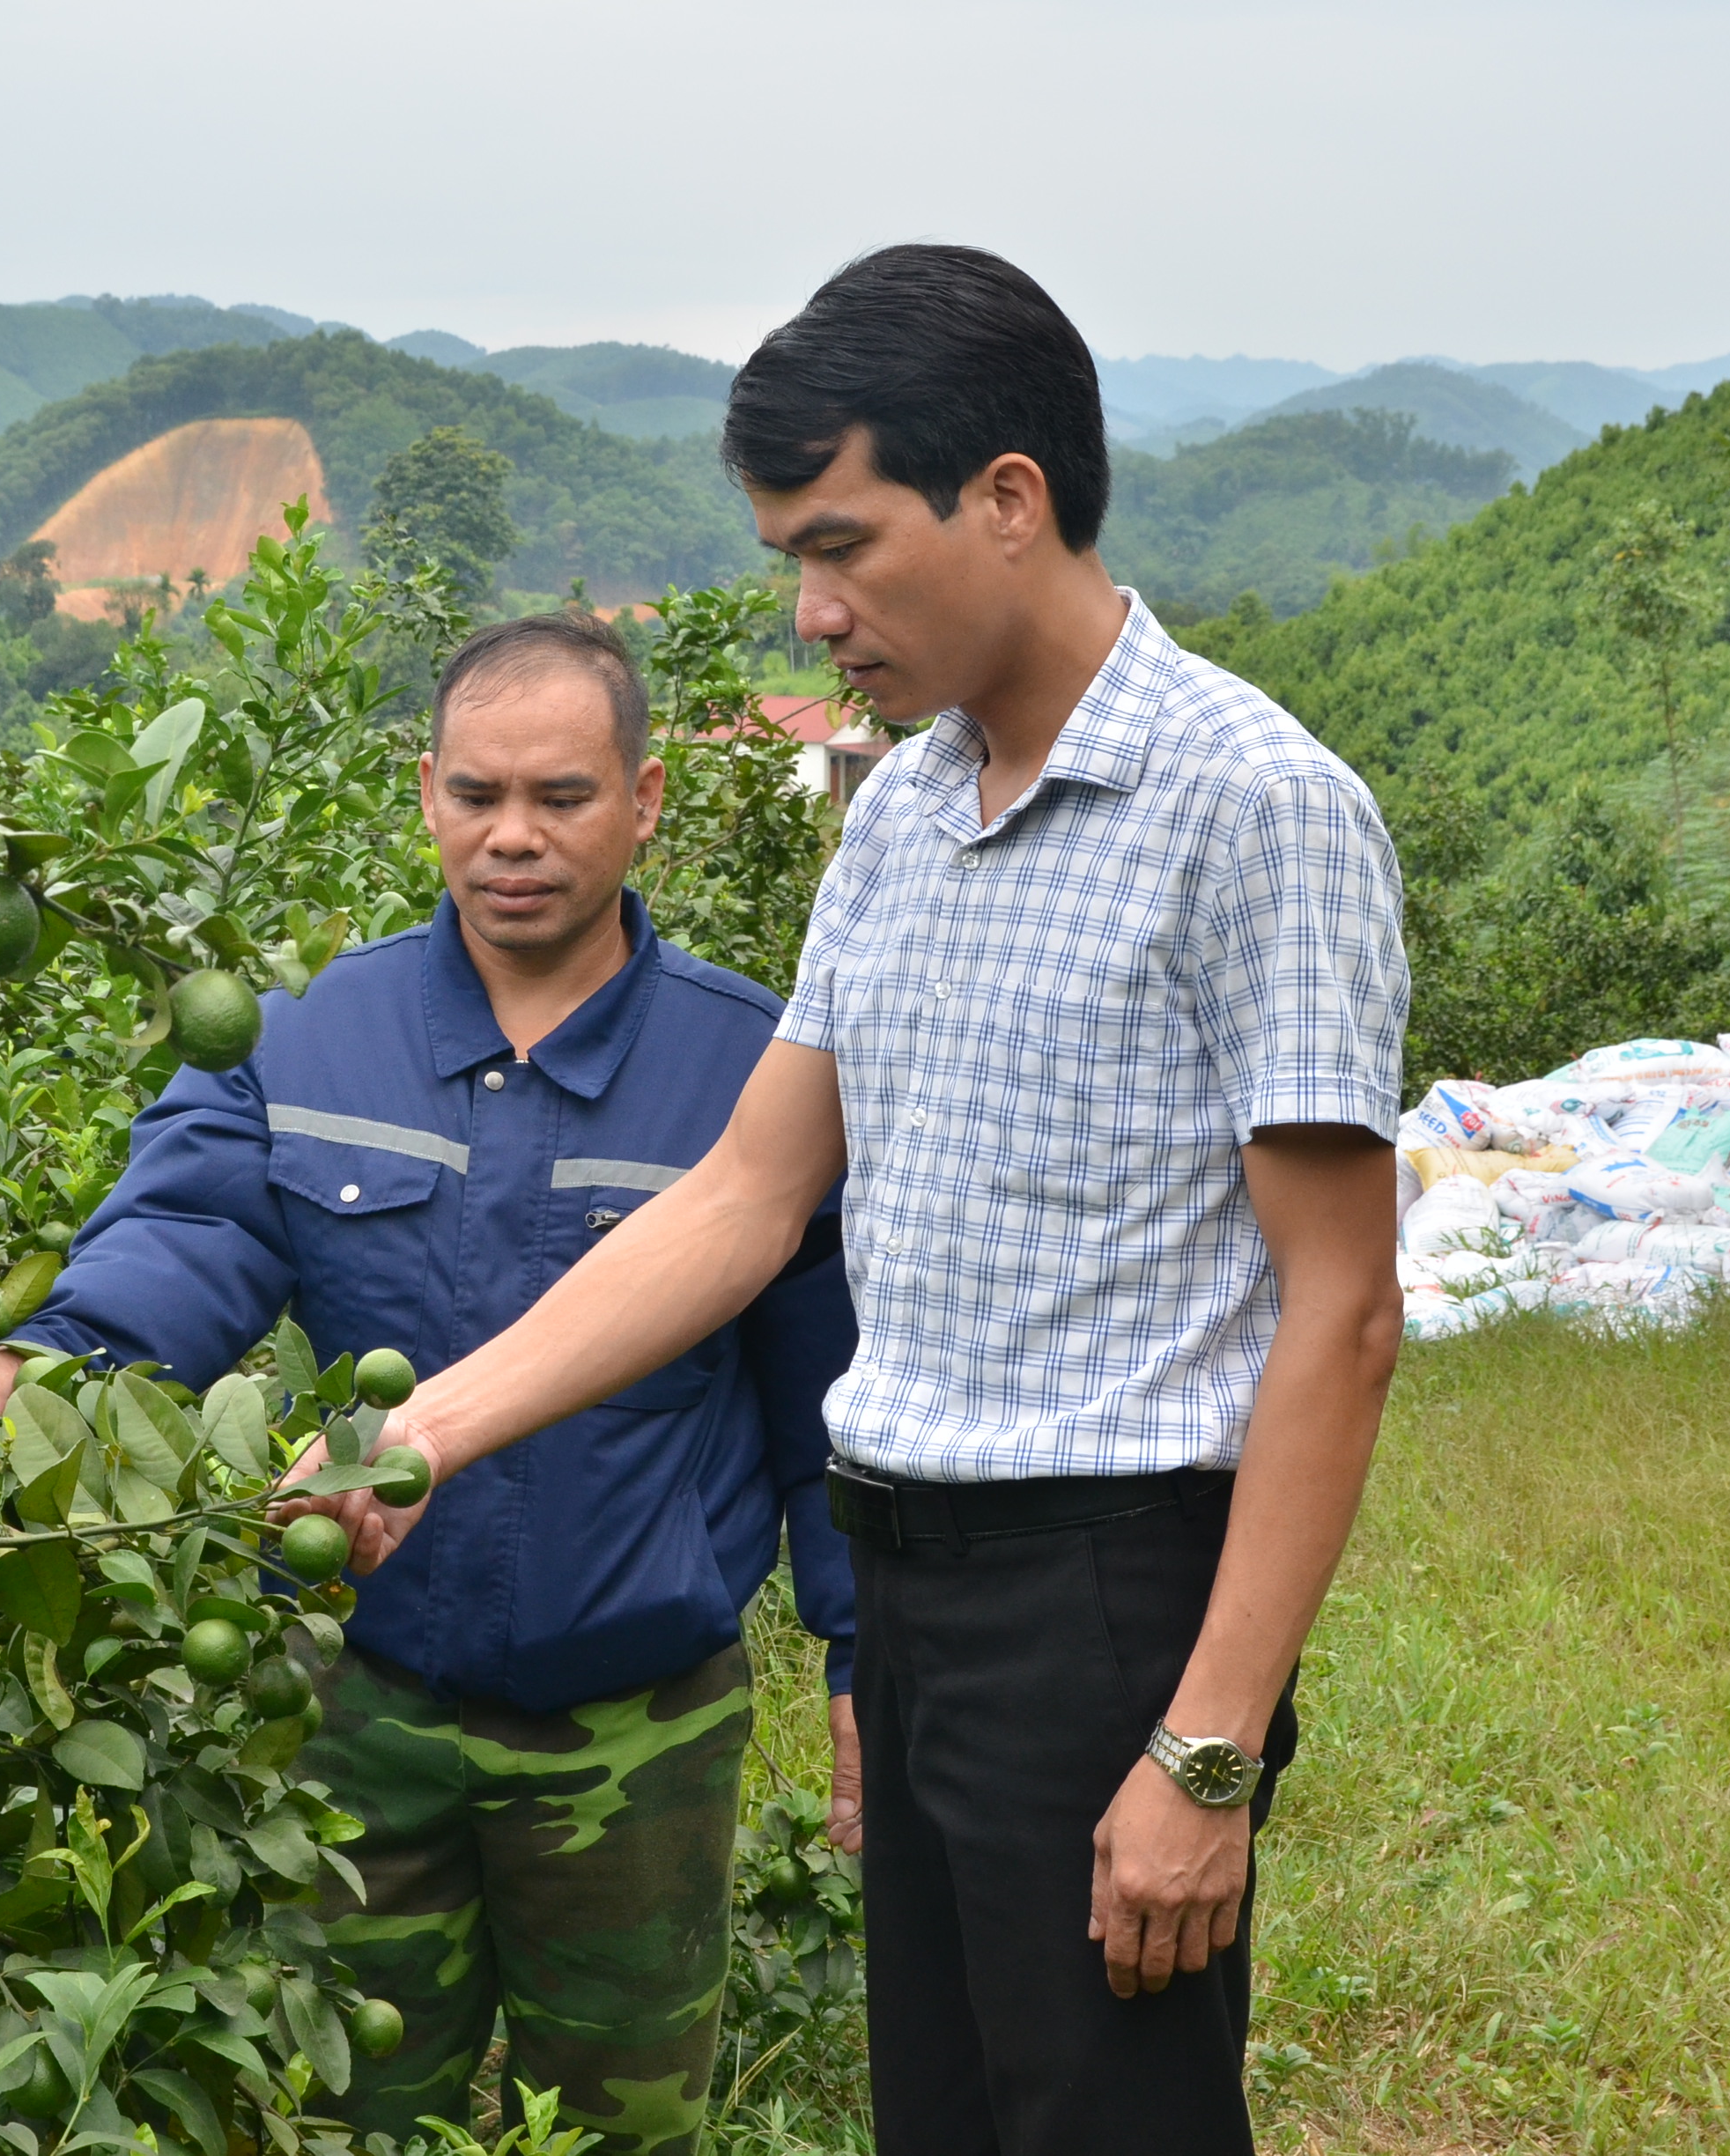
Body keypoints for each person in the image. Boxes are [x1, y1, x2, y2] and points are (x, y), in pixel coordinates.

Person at [279, 246, 1409, 2156]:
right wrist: (425, 1434)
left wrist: (1206, 1751)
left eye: (841, 547)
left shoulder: (1254, 806)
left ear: (1009, 500)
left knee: (1103, 2118)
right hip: (920, 1587)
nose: (810, 614)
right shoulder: (899, 812)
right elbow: (744, 1197)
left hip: (1110, 1598)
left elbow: (1343, 1310)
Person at [0, 609, 859, 2156]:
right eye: (477, 795)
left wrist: (862, 1657)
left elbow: (832, 1402)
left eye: (564, 798)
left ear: (643, 802)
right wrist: (51, 1367)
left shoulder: (757, 1068)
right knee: (354, 2112)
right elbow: (185, 1233)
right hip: (352, 1705)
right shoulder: (302, 1031)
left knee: (623, 2126)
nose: (515, 839)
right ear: (423, 790)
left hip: (633, 1725)